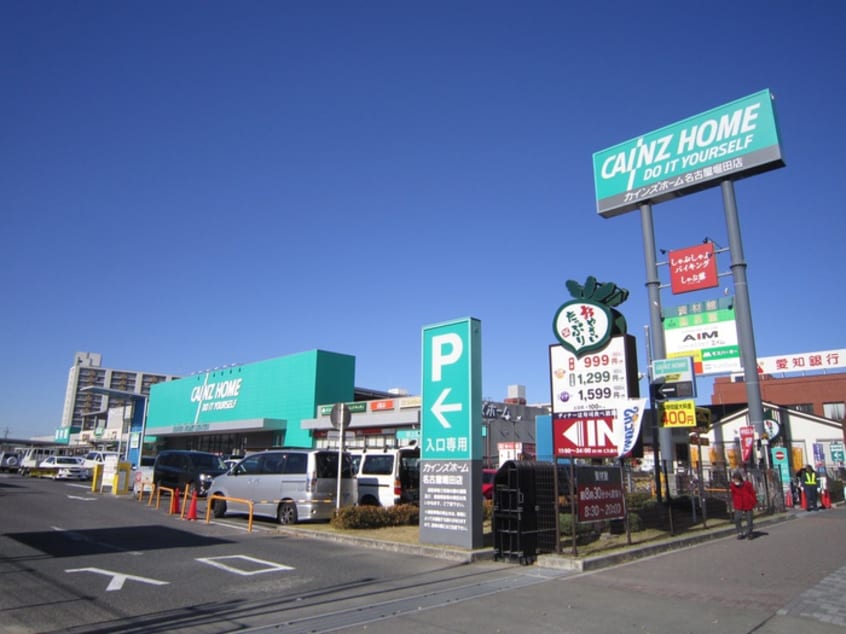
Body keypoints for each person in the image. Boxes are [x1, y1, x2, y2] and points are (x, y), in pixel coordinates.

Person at [730, 470, 756, 539]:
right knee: (737, 518)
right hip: (738, 504)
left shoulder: (747, 484)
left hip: (748, 503)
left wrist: (754, 502)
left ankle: (750, 532)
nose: (735, 481)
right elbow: (733, 494)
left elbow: (752, 493)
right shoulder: (733, 486)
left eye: (737, 479)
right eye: (734, 479)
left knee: (749, 519)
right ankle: (740, 532)